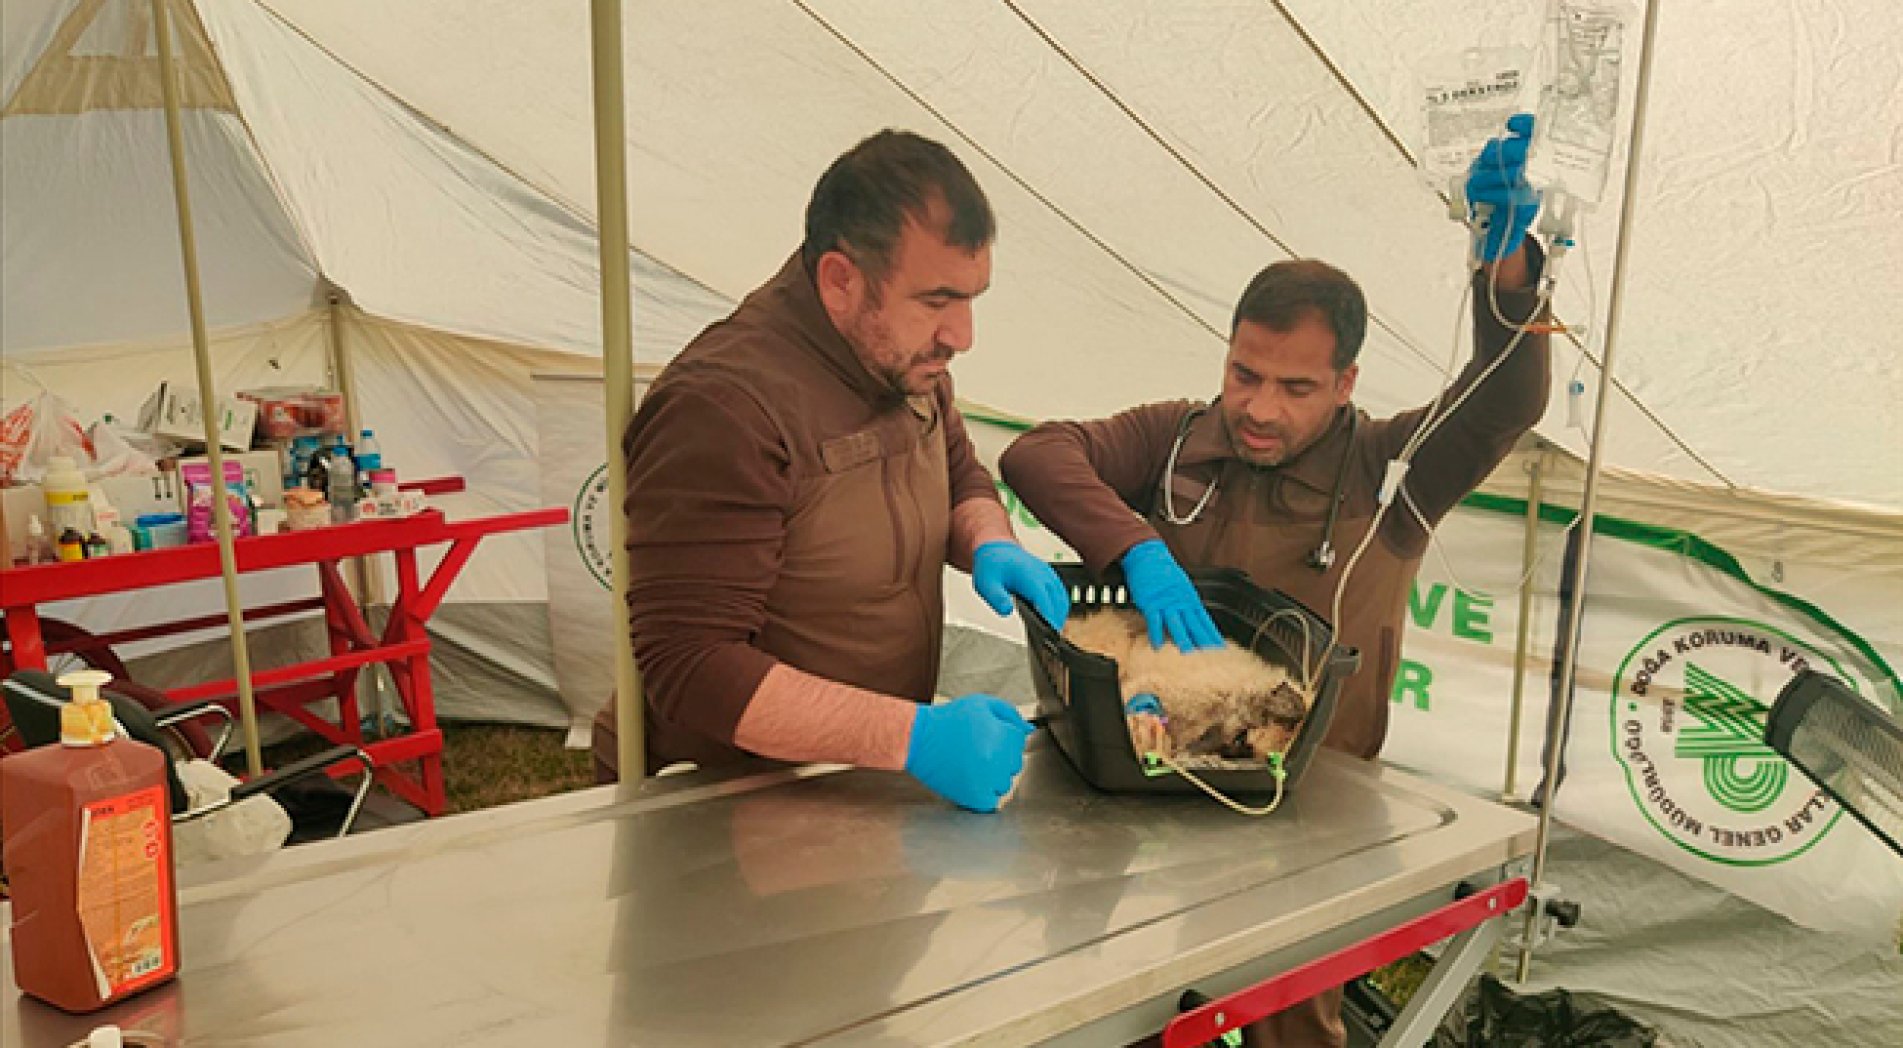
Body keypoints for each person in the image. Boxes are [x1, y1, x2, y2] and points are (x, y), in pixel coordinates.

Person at [999, 116, 1550, 1045]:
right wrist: (1136, 545)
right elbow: (1036, 454)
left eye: (1293, 388)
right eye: (1242, 373)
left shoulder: (1392, 473)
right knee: (1119, 1007)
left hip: (1305, 818)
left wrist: (1505, 273)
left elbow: (1507, 398)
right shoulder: (1177, 436)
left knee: (1291, 1024)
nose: (1256, 408)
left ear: (1344, 383)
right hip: (1142, 789)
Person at [618, 130, 1069, 814]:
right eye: (935, 300)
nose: (962, 336)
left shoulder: (904, 356)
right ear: (839, 280)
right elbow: (691, 665)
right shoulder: (723, 407)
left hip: (868, 780)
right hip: (739, 807)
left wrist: (988, 539)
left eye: (972, 298)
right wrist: (914, 738)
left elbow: (959, 475)